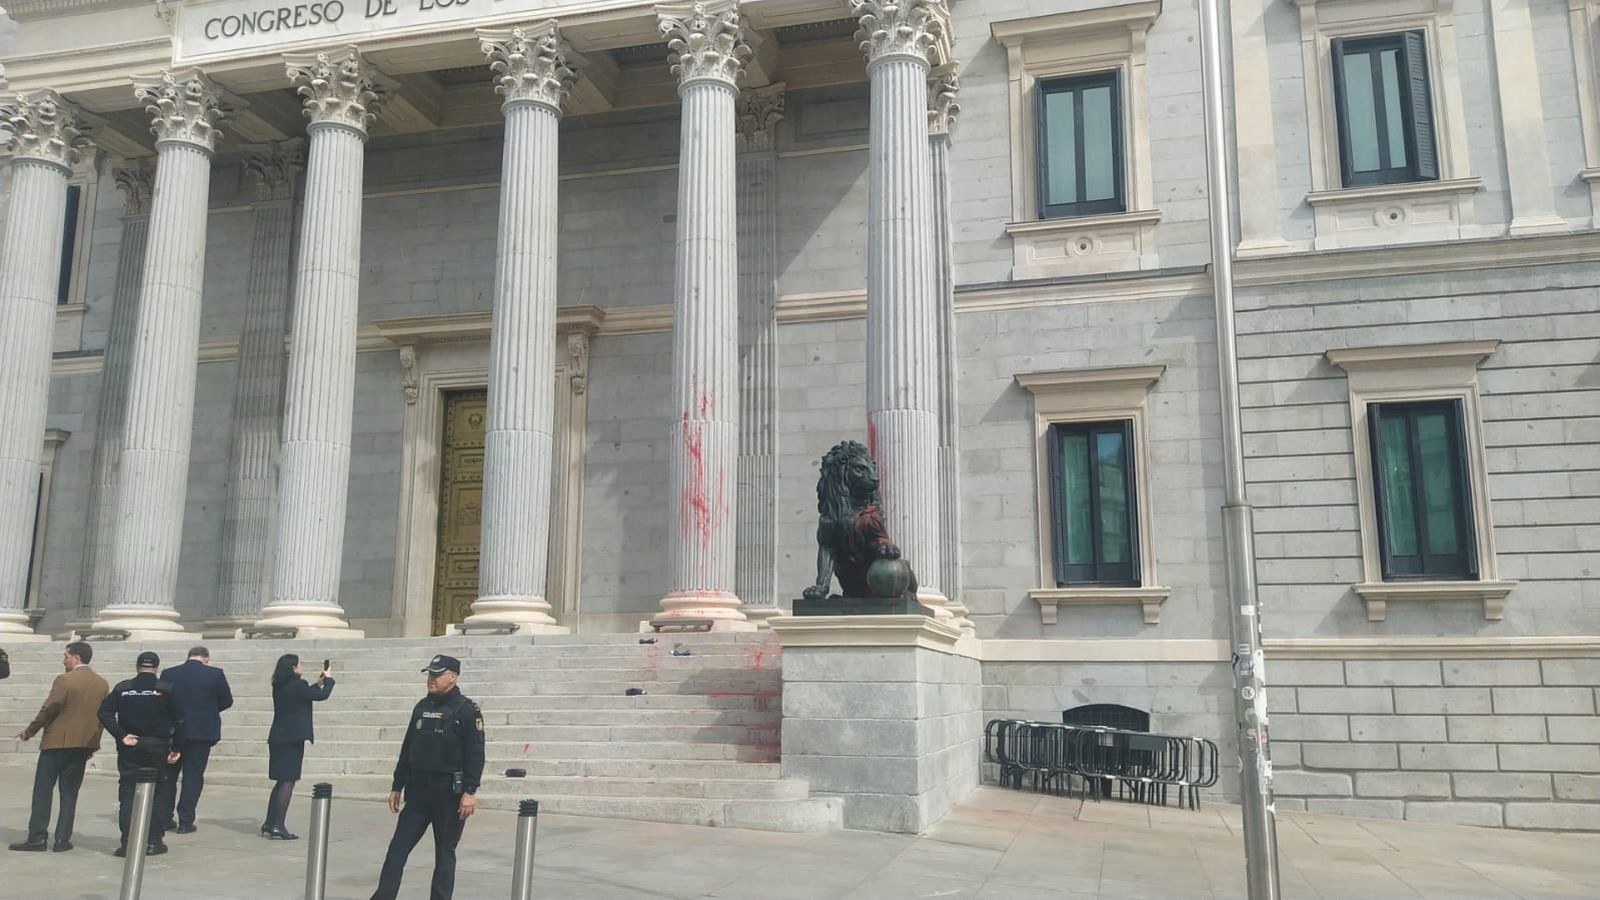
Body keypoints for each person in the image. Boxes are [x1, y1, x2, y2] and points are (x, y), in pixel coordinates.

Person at [371, 654, 484, 900]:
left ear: (452, 677)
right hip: (418, 792)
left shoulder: (466, 710)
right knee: (397, 850)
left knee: (444, 854)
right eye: (430, 674)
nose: (431, 679)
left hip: (448, 795)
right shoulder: (422, 707)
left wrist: (470, 791)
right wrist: (397, 785)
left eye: (437, 675)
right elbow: (407, 747)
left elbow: (476, 754)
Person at [10, 641, 109, 853]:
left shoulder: (65, 680)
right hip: (82, 744)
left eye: (66, 656)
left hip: (56, 743)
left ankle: (37, 837)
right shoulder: (101, 683)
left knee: (43, 791)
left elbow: (49, 708)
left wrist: (30, 731)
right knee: (70, 792)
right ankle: (63, 839)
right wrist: (93, 744)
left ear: (76, 657)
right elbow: (102, 717)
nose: (63, 661)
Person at [97, 651, 184, 858]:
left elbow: (104, 713)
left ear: (137, 667)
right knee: (159, 792)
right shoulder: (166, 689)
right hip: (157, 746)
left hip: (131, 745)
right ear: (156, 668)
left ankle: (127, 843)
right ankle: (153, 841)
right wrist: (177, 748)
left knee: (128, 793)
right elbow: (180, 720)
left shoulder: (123, 688)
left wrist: (121, 735)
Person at [159, 646, 233, 834]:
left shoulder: (169, 673)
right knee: (193, 777)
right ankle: (186, 820)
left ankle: (165, 817)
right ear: (206, 658)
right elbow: (227, 700)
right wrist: (208, 710)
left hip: (173, 732)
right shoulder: (215, 674)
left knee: (169, 776)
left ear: (189, 656)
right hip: (201, 732)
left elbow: (161, 701)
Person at [264, 653, 334, 840]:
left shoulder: (279, 685)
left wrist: (317, 683)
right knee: (288, 782)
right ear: (293, 668)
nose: (301, 667)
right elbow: (322, 696)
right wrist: (329, 681)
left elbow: (304, 695)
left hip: (278, 737)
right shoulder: (298, 685)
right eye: (299, 665)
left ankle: (270, 822)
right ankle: (278, 825)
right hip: (292, 739)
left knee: (281, 781)